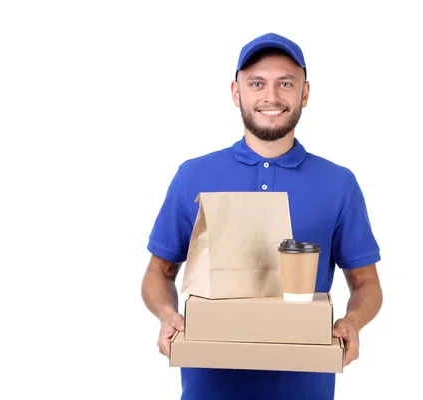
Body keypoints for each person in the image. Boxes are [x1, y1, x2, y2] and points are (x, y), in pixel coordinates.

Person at [141, 32, 383, 400]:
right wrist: (166, 315)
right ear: (237, 93)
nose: (271, 96)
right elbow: (159, 271)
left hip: (306, 386)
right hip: (210, 386)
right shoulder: (193, 175)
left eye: (285, 83)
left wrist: (352, 322)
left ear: (304, 93)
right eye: (257, 83)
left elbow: (366, 283)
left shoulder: (339, 183)